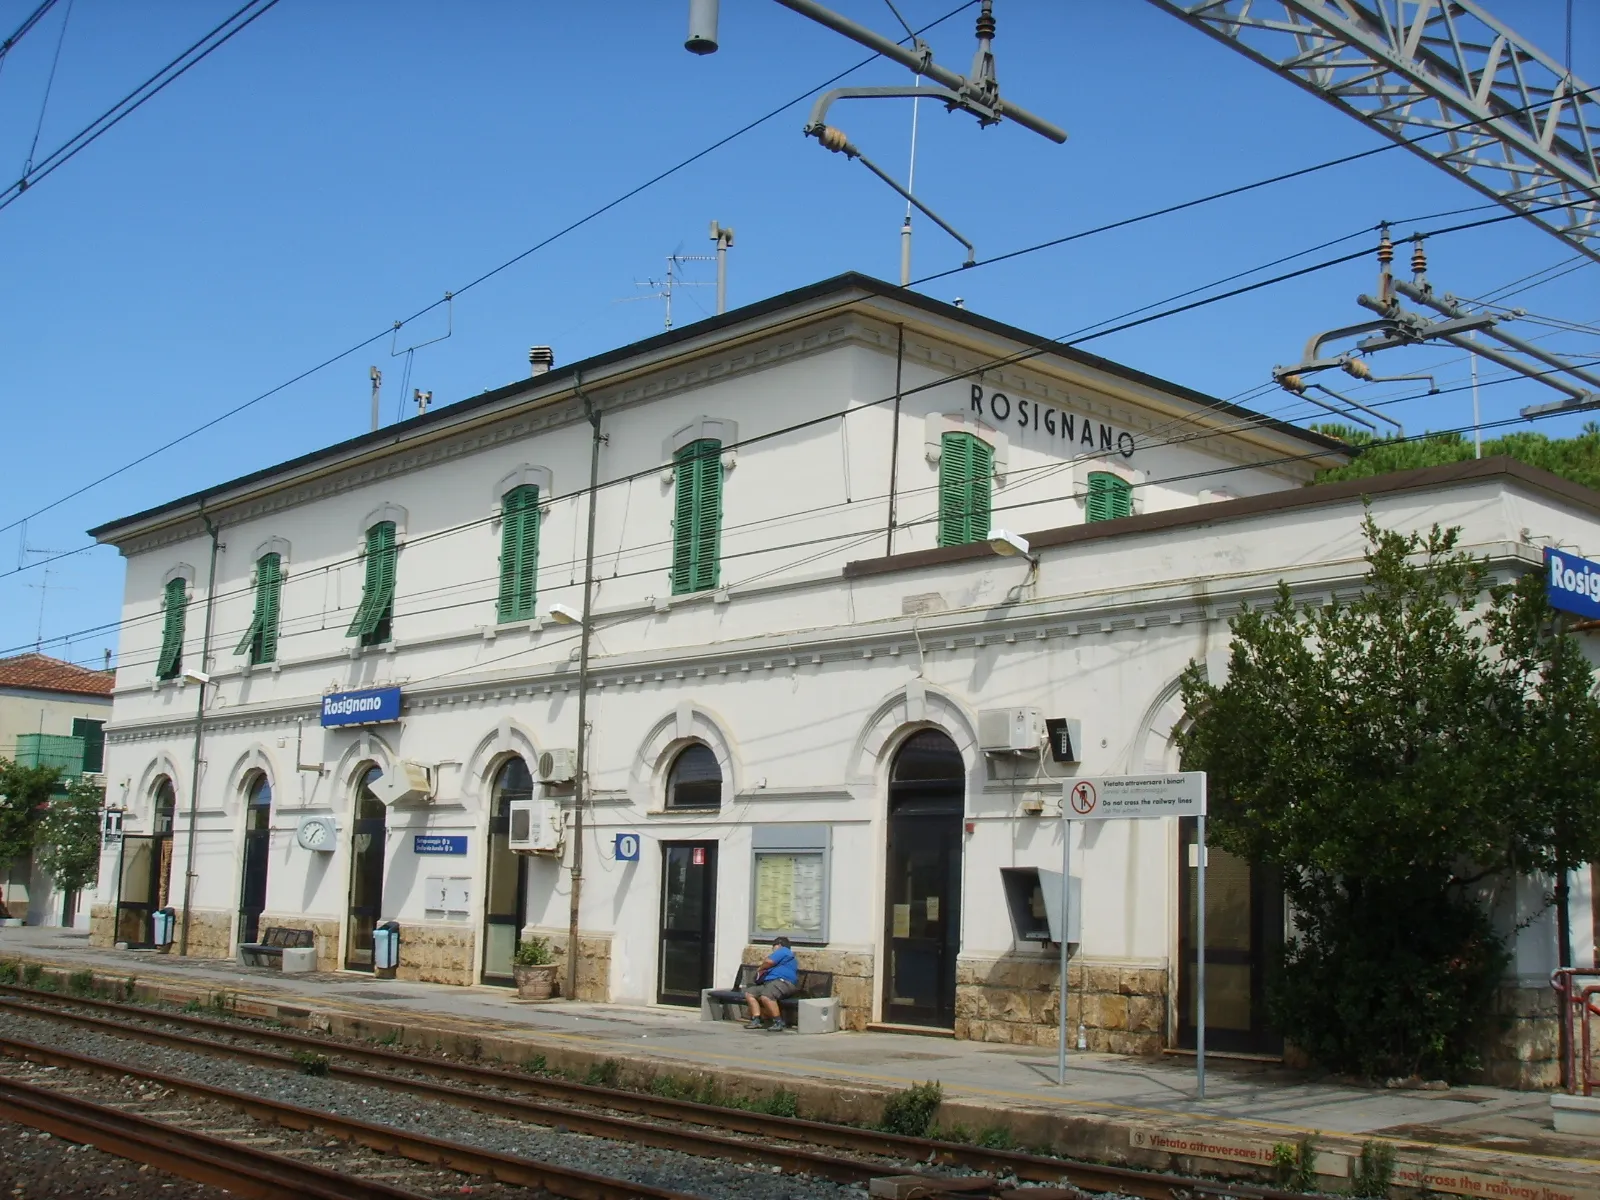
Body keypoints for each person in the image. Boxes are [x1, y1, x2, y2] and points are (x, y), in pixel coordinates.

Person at [744, 936, 798, 1031]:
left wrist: (761, 968)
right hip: (770, 983)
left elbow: (769, 961)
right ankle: (756, 1019)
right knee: (750, 993)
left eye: (773, 946)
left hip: (783, 982)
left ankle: (778, 1022)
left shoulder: (784, 950)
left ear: (779, 945)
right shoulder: (783, 954)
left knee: (767, 996)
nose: (772, 949)